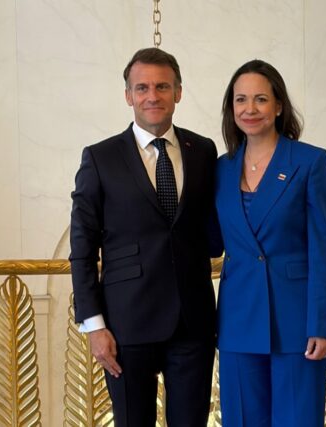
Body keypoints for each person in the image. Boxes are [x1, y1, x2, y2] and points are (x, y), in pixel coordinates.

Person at [69, 47, 219, 427]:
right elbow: (82, 249)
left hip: (193, 323)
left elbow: (213, 230)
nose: (153, 96)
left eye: (162, 86)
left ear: (178, 92)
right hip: (126, 326)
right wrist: (94, 326)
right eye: (142, 88)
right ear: (128, 96)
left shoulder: (203, 151)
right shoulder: (100, 158)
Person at [214, 59, 326, 427]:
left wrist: (322, 324)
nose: (249, 109)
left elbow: (322, 248)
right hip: (238, 319)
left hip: (296, 321)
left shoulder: (310, 162)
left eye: (260, 99)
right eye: (240, 100)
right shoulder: (220, 168)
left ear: (279, 106)